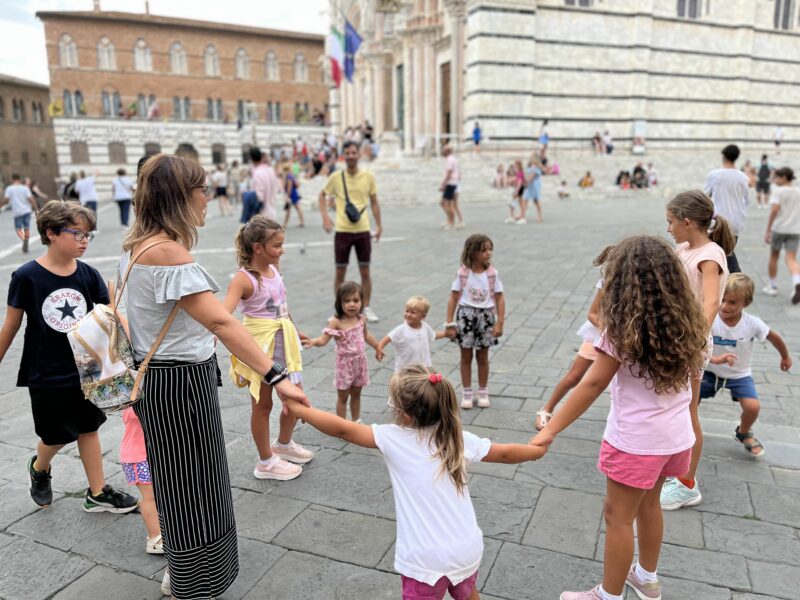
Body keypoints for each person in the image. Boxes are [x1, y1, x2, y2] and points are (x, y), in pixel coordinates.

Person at [120, 154, 309, 599]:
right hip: (179, 383)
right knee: (194, 484)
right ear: (180, 196)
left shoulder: (138, 244)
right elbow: (222, 322)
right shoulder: (167, 252)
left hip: (161, 381)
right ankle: (196, 580)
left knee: (178, 479)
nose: (209, 197)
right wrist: (276, 375)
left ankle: (183, 571)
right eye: (202, 189)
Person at [532, 236, 707, 600]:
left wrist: (551, 428)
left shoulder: (624, 330)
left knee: (618, 516)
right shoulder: (689, 323)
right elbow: (693, 387)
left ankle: (609, 595)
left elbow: (592, 383)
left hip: (636, 442)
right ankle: (646, 577)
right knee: (650, 506)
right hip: (675, 438)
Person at [284, 365, 545, 600]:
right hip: (467, 549)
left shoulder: (393, 438)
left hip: (425, 559)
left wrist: (298, 409)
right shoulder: (459, 438)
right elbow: (506, 454)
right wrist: (536, 451)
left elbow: (342, 429)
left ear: (406, 416)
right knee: (466, 593)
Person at [0, 201, 138, 513]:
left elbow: (110, 314)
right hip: (45, 371)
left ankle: (98, 492)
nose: (84, 240)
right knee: (55, 435)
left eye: (88, 235)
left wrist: (130, 346)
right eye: (77, 233)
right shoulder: (26, 276)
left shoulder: (88, 274)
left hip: (87, 369)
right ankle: (40, 467)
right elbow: (11, 325)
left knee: (88, 427)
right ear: (51, 233)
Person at [223, 216, 314, 481]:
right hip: (261, 348)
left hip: (285, 343)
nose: (282, 250)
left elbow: (282, 305)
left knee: (295, 397)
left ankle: (283, 444)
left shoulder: (274, 269)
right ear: (257, 248)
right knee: (262, 405)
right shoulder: (244, 279)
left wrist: (294, 328)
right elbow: (224, 314)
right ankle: (265, 461)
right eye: (277, 245)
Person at [661, 190, 734, 511]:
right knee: (673, 406)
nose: (669, 228)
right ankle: (674, 468)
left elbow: (712, 302)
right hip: (674, 338)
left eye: (671, 222)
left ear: (688, 221)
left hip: (690, 342)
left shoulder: (710, 255)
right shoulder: (684, 248)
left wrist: (692, 341)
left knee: (687, 410)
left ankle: (687, 483)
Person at [703, 273, 791, 458]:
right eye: (722, 299)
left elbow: (774, 337)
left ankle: (743, 432)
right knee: (689, 399)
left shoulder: (752, 323)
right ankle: (686, 430)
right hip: (709, 371)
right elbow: (696, 345)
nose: (725, 306)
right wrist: (714, 359)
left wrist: (785, 357)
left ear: (746, 303)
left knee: (752, 407)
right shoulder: (710, 319)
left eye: (732, 302)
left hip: (739, 375)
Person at [319, 139, 383, 323]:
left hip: (363, 229)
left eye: (354, 152)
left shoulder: (368, 177)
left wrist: (379, 225)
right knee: (340, 271)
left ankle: (366, 307)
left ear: (359, 154)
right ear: (344, 155)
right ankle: (340, 310)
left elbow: (374, 202)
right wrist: (325, 217)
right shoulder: (336, 177)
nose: (351, 156)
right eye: (347, 153)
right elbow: (322, 195)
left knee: (365, 270)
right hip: (342, 230)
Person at [304, 282, 379, 422]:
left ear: (362, 302)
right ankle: (342, 424)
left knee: (356, 394)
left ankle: (356, 421)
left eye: (356, 300)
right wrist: (314, 341)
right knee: (343, 397)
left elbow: (366, 335)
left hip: (360, 362)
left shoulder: (361, 319)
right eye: (347, 301)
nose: (352, 304)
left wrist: (377, 346)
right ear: (340, 302)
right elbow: (324, 339)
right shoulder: (336, 322)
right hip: (344, 364)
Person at [535, 276, 604, 431]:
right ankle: (547, 409)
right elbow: (592, 314)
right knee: (574, 376)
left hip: (627, 340)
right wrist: (610, 328)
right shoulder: (609, 279)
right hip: (601, 334)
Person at [446, 234, 505, 409]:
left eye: (490, 249)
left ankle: (483, 391)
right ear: (472, 252)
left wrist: (500, 322)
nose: (488, 253)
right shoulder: (463, 273)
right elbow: (453, 297)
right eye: (484, 250)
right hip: (466, 316)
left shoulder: (492, 274)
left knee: (483, 356)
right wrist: (449, 323)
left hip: (486, 317)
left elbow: (500, 298)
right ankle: (467, 392)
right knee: (465, 356)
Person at [119, 408, 163, 554]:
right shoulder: (133, 403)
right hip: (138, 458)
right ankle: (155, 537)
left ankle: (165, 529)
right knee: (150, 498)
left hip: (152, 455)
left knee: (161, 495)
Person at [704, 144, 748, 273]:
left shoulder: (715, 175)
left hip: (719, 221)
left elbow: (705, 197)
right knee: (725, 253)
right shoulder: (743, 177)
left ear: (723, 156)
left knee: (725, 254)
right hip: (736, 222)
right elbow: (746, 201)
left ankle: (738, 278)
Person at [375, 295, 447, 373]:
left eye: (413, 312)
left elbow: (433, 335)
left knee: (429, 381)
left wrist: (445, 334)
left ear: (423, 316)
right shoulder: (401, 329)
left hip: (424, 368)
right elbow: (388, 337)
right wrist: (379, 348)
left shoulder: (425, 327)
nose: (408, 314)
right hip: (405, 370)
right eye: (407, 311)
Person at [763, 167, 800, 302]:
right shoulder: (798, 191)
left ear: (784, 177)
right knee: (791, 258)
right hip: (795, 229)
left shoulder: (778, 191)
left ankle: (772, 286)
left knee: (774, 256)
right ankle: (796, 281)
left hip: (779, 228)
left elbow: (774, 210)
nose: (775, 180)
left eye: (777, 177)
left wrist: (768, 229)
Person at [3, 173, 37, 253]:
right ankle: (26, 240)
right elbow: (31, 198)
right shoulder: (25, 188)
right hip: (27, 211)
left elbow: (6, 200)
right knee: (26, 227)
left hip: (17, 212)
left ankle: (23, 239)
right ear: (19, 179)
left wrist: (2, 204)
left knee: (18, 228)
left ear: (12, 179)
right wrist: (35, 208)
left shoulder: (9, 188)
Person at [250, 146, 280, 220]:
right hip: (272, 210)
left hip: (262, 214)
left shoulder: (258, 173)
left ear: (252, 159)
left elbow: (259, 196)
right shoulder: (270, 170)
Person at [439, 146, 461, 230]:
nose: (442, 152)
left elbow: (449, 173)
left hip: (450, 183)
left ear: (447, 151)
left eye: (443, 150)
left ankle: (451, 222)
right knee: (443, 203)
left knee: (448, 204)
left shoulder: (450, 160)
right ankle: (449, 220)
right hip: (453, 183)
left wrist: (443, 184)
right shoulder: (454, 159)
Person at [520, 155, 543, 224]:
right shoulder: (530, 167)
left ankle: (540, 216)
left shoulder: (535, 168)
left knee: (536, 201)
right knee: (525, 200)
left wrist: (524, 181)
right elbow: (527, 176)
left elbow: (531, 177)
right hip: (529, 186)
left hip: (534, 186)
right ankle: (522, 215)